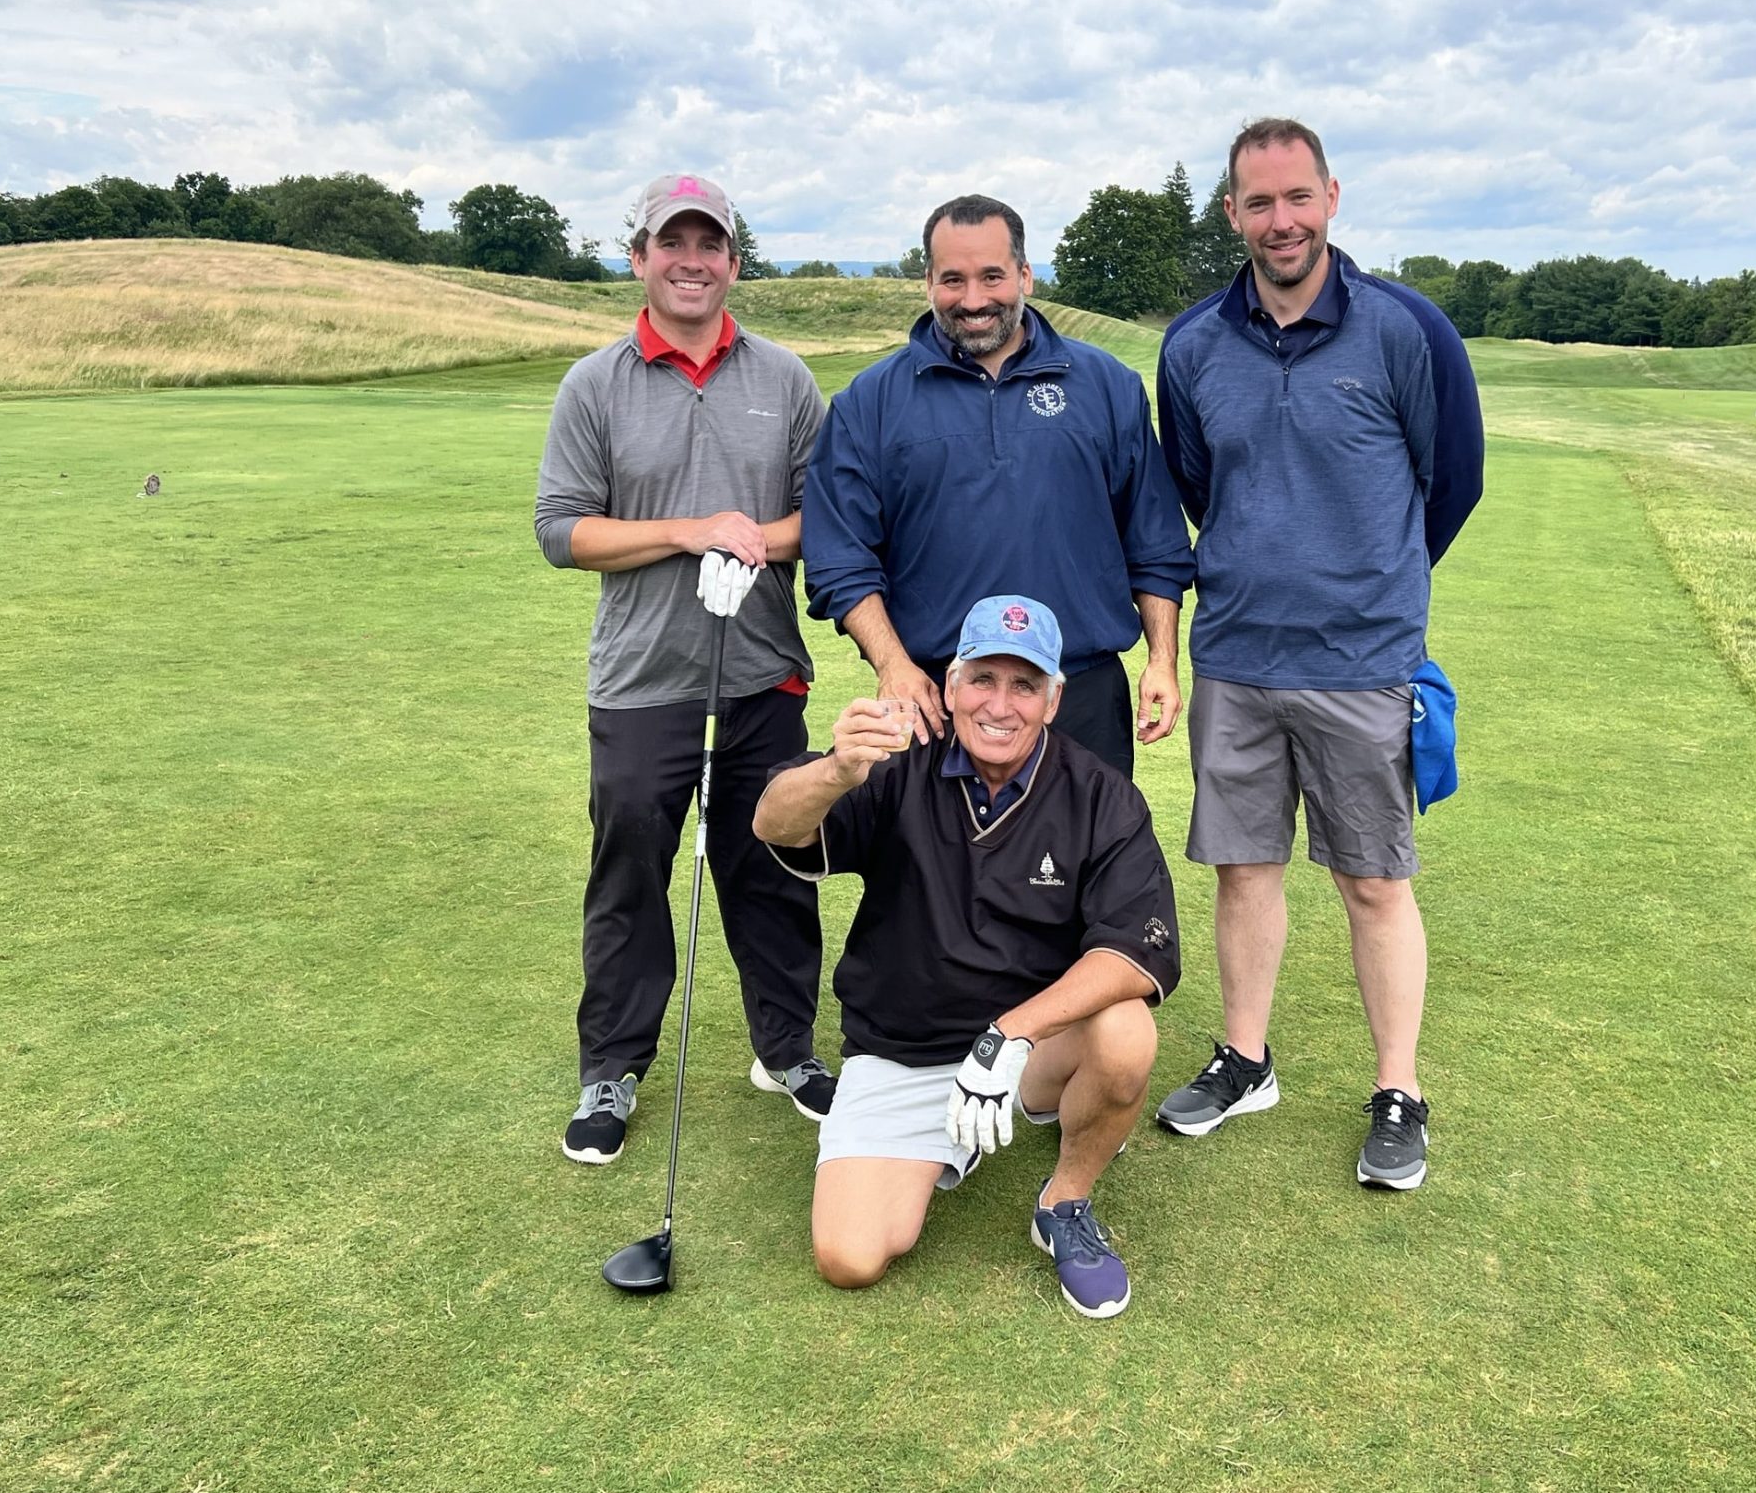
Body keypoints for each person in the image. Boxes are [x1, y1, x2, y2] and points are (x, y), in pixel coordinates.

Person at [1151, 119, 1484, 1191]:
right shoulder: (1192, 346)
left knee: (1373, 882)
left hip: (1362, 661)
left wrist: (1373, 582)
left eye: (1297, 197)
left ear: (1331, 197)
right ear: (1232, 213)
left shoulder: (1406, 328)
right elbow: (1198, 483)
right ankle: (1245, 1060)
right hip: (1237, 655)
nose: (1280, 220)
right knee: (1243, 871)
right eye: (1259, 202)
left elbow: (1454, 480)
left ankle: (1399, 1090)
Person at [753, 594, 1179, 1319]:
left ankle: (1064, 1203)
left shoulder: (1100, 795)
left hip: (1026, 1050)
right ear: (950, 687)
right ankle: (956, 1137)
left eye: (1025, 685)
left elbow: (1138, 954)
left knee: (1126, 1029)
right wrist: (835, 773)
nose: (1000, 705)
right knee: (849, 1257)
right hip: (902, 1049)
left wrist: (1009, 1035)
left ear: (1054, 700)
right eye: (983, 679)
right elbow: (774, 823)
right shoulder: (894, 763)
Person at [534, 172, 836, 1163]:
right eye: (673, 243)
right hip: (642, 681)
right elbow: (562, 531)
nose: (692, 261)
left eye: (710, 245)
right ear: (640, 259)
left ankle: (787, 1051)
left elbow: (825, 519)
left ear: (733, 264)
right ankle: (611, 1069)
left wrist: (753, 538)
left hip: (762, 672)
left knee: (775, 865)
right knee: (629, 873)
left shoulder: (784, 379)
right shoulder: (595, 385)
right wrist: (686, 530)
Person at [800, 196, 1194, 778]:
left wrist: (1162, 660)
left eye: (992, 276)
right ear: (928, 282)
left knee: (1090, 841)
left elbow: (1154, 540)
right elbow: (839, 556)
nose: (974, 299)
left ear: (1025, 276)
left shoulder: (1107, 386)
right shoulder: (870, 402)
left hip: (1080, 694)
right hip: (936, 697)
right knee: (929, 844)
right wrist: (892, 665)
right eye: (952, 280)